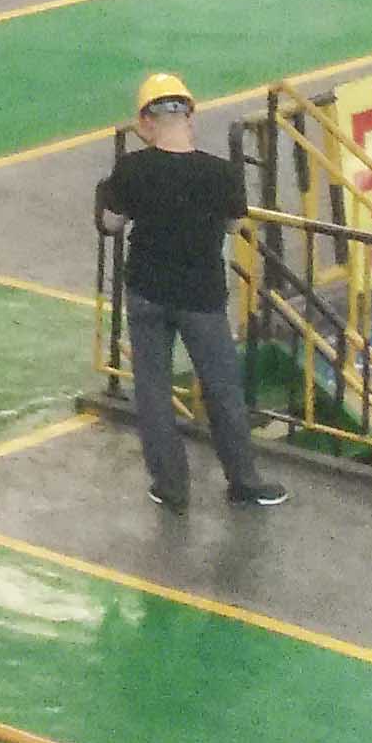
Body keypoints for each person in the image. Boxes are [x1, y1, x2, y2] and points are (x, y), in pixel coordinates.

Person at [95, 70, 282, 512]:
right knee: (222, 389)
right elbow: (235, 224)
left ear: (146, 123)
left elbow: (111, 223)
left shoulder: (133, 168)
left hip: (147, 291)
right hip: (202, 297)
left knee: (153, 391)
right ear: (190, 118)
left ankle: (171, 487)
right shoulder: (220, 173)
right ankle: (244, 481)